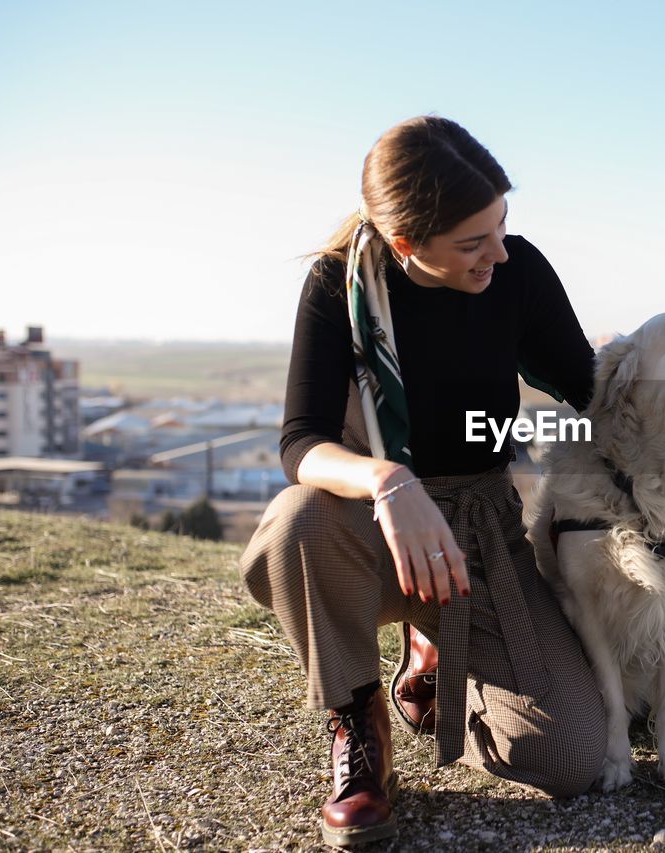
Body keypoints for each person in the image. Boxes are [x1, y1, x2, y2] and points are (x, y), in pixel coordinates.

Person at [240, 116, 606, 848]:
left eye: (502, 225)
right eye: (473, 243)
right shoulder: (336, 282)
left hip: (481, 528)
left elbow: (589, 393)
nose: (498, 253)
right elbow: (300, 442)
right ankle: (358, 717)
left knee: (569, 758)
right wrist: (389, 481)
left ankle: (443, 652)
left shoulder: (517, 270)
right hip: (370, 532)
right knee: (298, 517)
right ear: (407, 244)